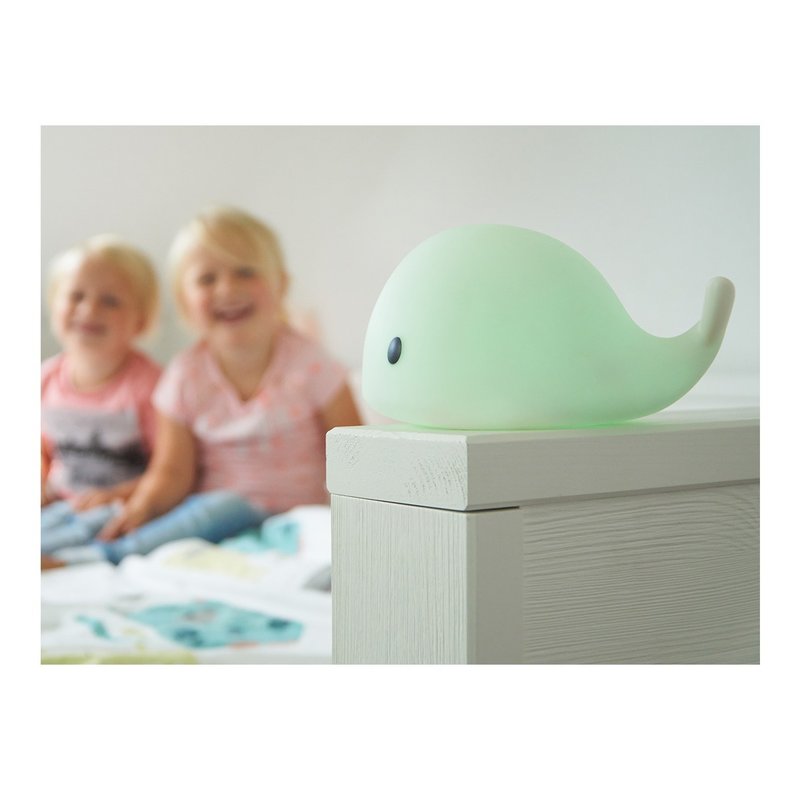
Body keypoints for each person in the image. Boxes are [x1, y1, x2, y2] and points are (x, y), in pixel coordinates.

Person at [92, 206, 362, 564]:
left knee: (223, 506)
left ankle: (104, 555)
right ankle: (85, 547)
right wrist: (142, 505)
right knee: (196, 510)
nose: (228, 288)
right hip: (216, 526)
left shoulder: (313, 365)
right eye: (207, 279)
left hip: (294, 524)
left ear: (281, 285)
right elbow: (172, 472)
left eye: (245, 272)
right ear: (185, 302)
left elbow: (357, 457)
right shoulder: (184, 376)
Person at [41, 235, 162, 562]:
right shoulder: (45, 379)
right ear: (54, 305)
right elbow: (43, 452)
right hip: (60, 502)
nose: (89, 310)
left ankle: (59, 559)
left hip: (119, 508)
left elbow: (169, 470)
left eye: (110, 301)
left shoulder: (150, 387)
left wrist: (116, 495)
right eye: (76, 296)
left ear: (141, 319)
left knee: (87, 527)